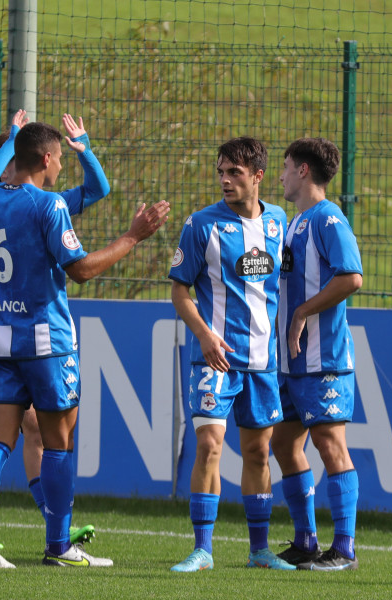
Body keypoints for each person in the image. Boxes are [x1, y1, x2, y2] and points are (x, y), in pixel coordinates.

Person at [0, 121, 170, 569]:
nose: (62, 165)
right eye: (61, 158)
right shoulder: (49, 206)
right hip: (46, 341)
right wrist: (132, 237)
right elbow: (81, 269)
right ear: (46, 159)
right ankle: (58, 546)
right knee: (58, 441)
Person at [0, 110, 106, 551]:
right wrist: (14, 137)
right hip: (39, 337)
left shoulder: (6, 204)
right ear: (38, 158)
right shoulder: (30, 202)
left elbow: (97, 189)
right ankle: (55, 536)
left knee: (8, 432)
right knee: (39, 435)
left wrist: (85, 151)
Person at [167, 137, 293, 572]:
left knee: (259, 453)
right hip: (214, 358)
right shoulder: (201, 225)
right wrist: (203, 335)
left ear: (258, 176)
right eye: (221, 171)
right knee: (209, 445)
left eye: (234, 173)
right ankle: (202, 549)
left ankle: (259, 550)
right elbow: (179, 290)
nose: (224, 180)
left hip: (262, 360)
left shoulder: (278, 221)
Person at [272, 137, 363, 571]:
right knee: (284, 443)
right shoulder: (296, 222)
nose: (282, 175)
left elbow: (352, 278)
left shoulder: (328, 219)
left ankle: (343, 548)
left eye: (287, 166)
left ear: (304, 171)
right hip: (291, 363)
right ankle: (306, 540)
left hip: (322, 360)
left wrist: (303, 313)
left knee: (330, 444)